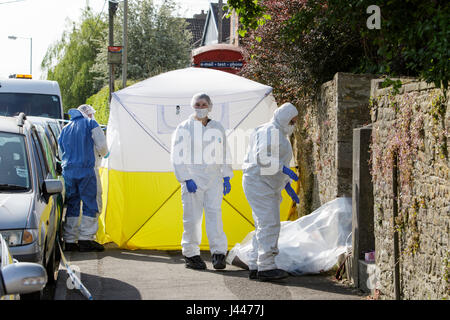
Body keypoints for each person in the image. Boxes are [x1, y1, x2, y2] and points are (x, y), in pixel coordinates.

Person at [170, 93, 233, 270]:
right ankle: (191, 255)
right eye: (197, 104)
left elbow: (224, 151)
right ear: (192, 106)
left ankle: (219, 254)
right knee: (192, 218)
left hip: (214, 178)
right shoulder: (184, 127)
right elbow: (177, 156)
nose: (200, 107)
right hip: (193, 178)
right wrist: (186, 178)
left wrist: (226, 175)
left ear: (210, 106)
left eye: (204, 104)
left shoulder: (217, 127)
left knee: (215, 216)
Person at [242, 102, 300, 281]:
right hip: (260, 183)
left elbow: (272, 160)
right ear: (284, 118)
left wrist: (286, 183)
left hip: (262, 183)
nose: (294, 125)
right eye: (292, 121)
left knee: (262, 224)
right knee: (270, 224)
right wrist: (285, 170)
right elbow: (262, 157)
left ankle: (255, 263)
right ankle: (266, 267)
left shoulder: (277, 132)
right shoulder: (271, 131)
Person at [58, 106, 108, 252]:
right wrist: (102, 155)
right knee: (91, 203)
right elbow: (102, 147)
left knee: (72, 204)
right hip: (87, 170)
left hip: (69, 171)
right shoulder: (90, 124)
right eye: (92, 114)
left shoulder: (65, 128)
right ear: (88, 114)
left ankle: (69, 240)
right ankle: (86, 239)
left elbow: (61, 151)